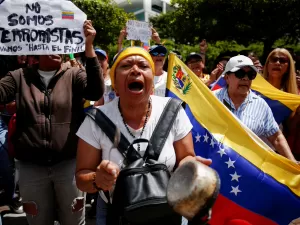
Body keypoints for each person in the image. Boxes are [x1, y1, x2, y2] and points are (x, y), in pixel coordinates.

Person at [75, 46, 212, 225]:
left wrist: (190, 167)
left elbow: (185, 156)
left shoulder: (173, 110)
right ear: (114, 84)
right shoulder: (95, 120)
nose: (135, 70)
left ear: (153, 84)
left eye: (143, 65)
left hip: (169, 211)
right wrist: (97, 179)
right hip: (117, 214)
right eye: (126, 66)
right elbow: (81, 178)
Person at [0, 20, 104, 225]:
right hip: (31, 169)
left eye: (60, 43)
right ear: (36, 48)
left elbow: (95, 91)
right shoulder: (18, 77)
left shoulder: (74, 74)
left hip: (69, 165)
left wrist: (89, 46)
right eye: (50, 43)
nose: (57, 47)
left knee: (73, 221)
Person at [213, 55, 296, 162]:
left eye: (250, 75)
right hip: (215, 164)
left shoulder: (261, 105)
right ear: (227, 78)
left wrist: (292, 162)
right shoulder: (211, 99)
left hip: (246, 170)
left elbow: (276, 137)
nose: (246, 78)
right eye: (240, 73)